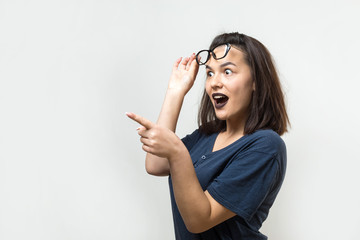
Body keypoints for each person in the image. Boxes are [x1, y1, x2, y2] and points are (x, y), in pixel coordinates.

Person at [126, 32, 290, 240]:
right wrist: (175, 92)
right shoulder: (208, 133)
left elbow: (199, 220)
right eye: (210, 73)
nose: (214, 83)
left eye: (227, 71)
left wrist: (177, 152)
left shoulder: (266, 145)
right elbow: (156, 164)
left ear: (255, 81)